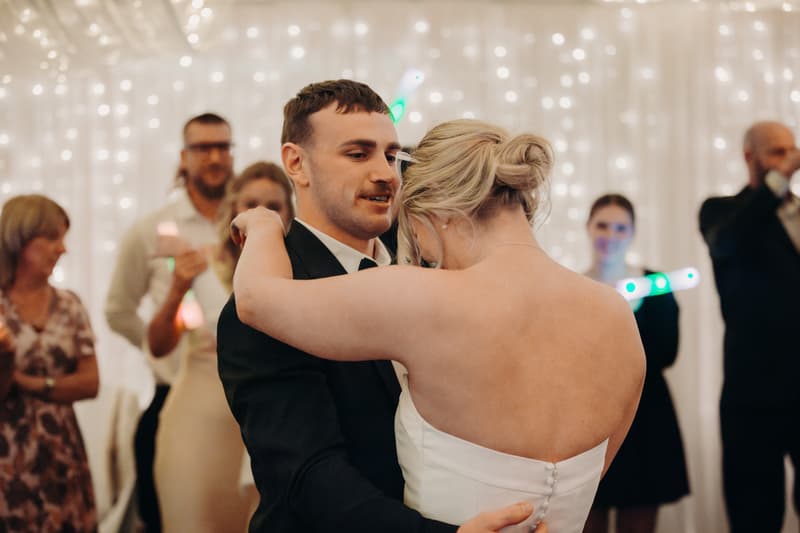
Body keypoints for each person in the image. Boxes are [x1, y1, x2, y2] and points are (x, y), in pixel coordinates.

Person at [225, 99, 646, 531]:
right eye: (358, 153)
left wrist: (262, 227)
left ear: (433, 213)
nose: (387, 175)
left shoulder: (420, 294)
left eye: (392, 158)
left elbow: (255, 297)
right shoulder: (617, 315)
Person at [104, 112, 234, 532]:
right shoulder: (151, 230)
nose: (215, 157)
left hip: (246, 404)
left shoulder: (249, 221)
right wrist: (162, 350)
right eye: (203, 148)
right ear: (184, 156)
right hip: (177, 398)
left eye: (223, 147)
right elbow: (118, 309)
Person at [699, 120, 800, 532]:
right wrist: (777, 183)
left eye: (791, 151)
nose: (789, 161)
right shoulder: (722, 212)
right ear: (749, 157)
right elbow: (727, 243)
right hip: (751, 391)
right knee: (754, 515)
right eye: (777, 152)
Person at [581, 194, 689, 533]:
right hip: (588, 424)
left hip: (646, 422)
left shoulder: (657, 287)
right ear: (588, 228)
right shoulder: (575, 288)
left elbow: (666, 353)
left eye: (620, 227)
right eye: (602, 225)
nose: (610, 235)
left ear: (632, 233)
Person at [0, 194, 100, 532]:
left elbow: (90, 383)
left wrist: (29, 383)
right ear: (21, 240)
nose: (62, 249)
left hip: (61, 455)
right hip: (8, 457)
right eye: (52, 238)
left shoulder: (70, 305)